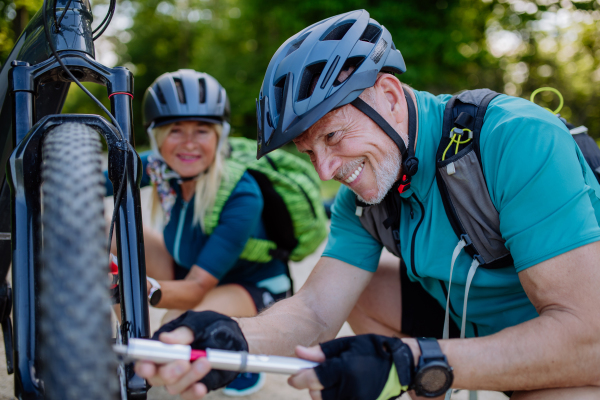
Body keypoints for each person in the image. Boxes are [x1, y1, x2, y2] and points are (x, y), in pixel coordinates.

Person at [135, 10, 600, 400]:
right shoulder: (362, 198)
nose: (324, 169)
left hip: (565, 339)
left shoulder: (515, 137)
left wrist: (414, 362)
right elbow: (315, 312)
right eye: (308, 150)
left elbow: (587, 340)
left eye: (333, 136)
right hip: (471, 320)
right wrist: (230, 338)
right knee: (370, 287)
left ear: (390, 96)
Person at [108, 69, 295, 396]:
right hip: (191, 268)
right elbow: (88, 180)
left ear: (219, 136)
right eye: (175, 130)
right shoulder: (159, 167)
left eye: (202, 131)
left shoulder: (242, 194)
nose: (189, 143)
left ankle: (235, 352)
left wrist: (137, 288)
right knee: (102, 229)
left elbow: (195, 289)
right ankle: (134, 343)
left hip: (251, 285)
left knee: (172, 330)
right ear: (157, 137)